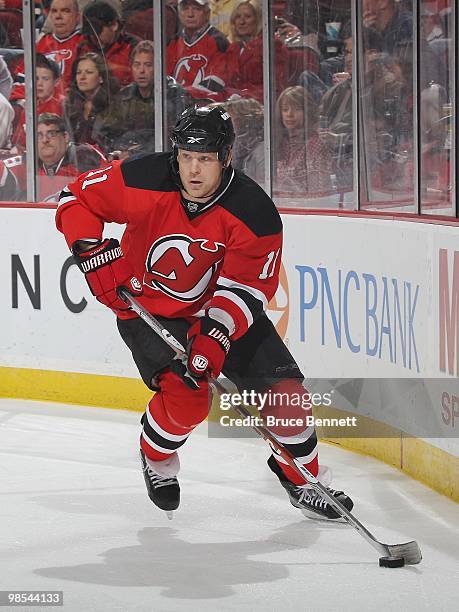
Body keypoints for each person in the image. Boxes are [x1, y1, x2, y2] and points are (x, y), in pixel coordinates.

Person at [55, 105, 353, 521]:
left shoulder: (254, 211)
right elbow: (75, 197)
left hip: (221, 310)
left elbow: (247, 287)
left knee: (288, 400)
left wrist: (216, 334)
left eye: (206, 159)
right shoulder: (143, 177)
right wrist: (91, 251)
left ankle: (303, 482)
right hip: (149, 309)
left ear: (227, 157)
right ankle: (155, 457)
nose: (193, 170)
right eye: (186, 157)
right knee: (187, 398)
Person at [0, 112, 106, 200]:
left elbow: (114, 186)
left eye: (51, 133)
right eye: (39, 135)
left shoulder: (86, 158)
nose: (45, 140)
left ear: (65, 137)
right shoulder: (24, 164)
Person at [166, 0, 236, 101]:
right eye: (185, 9)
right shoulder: (172, 42)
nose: (190, 14)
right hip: (175, 108)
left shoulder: (219, 42)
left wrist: (184, 96)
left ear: (207, 13)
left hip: (205, 109)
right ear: (179, 13)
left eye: (196, 9)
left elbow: (215, 84)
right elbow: (164, 80)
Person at [13, 0, 84, 93]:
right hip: (36, 103)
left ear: (77, 17)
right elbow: (21, 78)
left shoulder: (83, 43)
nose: (58, 16)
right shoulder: (42, 42)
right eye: (54, 11)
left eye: (65, 11)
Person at [275, 86, 333, 195]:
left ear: (308, 112)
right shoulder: (278, 144)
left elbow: (319, 193)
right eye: (285, 109)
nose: (289, 114)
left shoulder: (315, 145)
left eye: (297, 109)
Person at [78, 0, 139, 87]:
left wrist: (112, 68)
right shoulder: (84, 46)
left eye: (97, 32)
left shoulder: (133, 47)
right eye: (89, 33)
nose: (93, 37)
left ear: (114, 25)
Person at [64, 52, 118, 146]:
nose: (82, 77)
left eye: (89, 72)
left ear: (101, 78)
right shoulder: (70, 104)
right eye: (78, 73)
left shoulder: (113, 105)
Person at [12, 55, 64, 149]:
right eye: (36, 78)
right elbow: (18, 143)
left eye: (45, 79)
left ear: (56, 82)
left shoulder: (62, 105)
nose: (39, 83)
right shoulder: (30, 106)